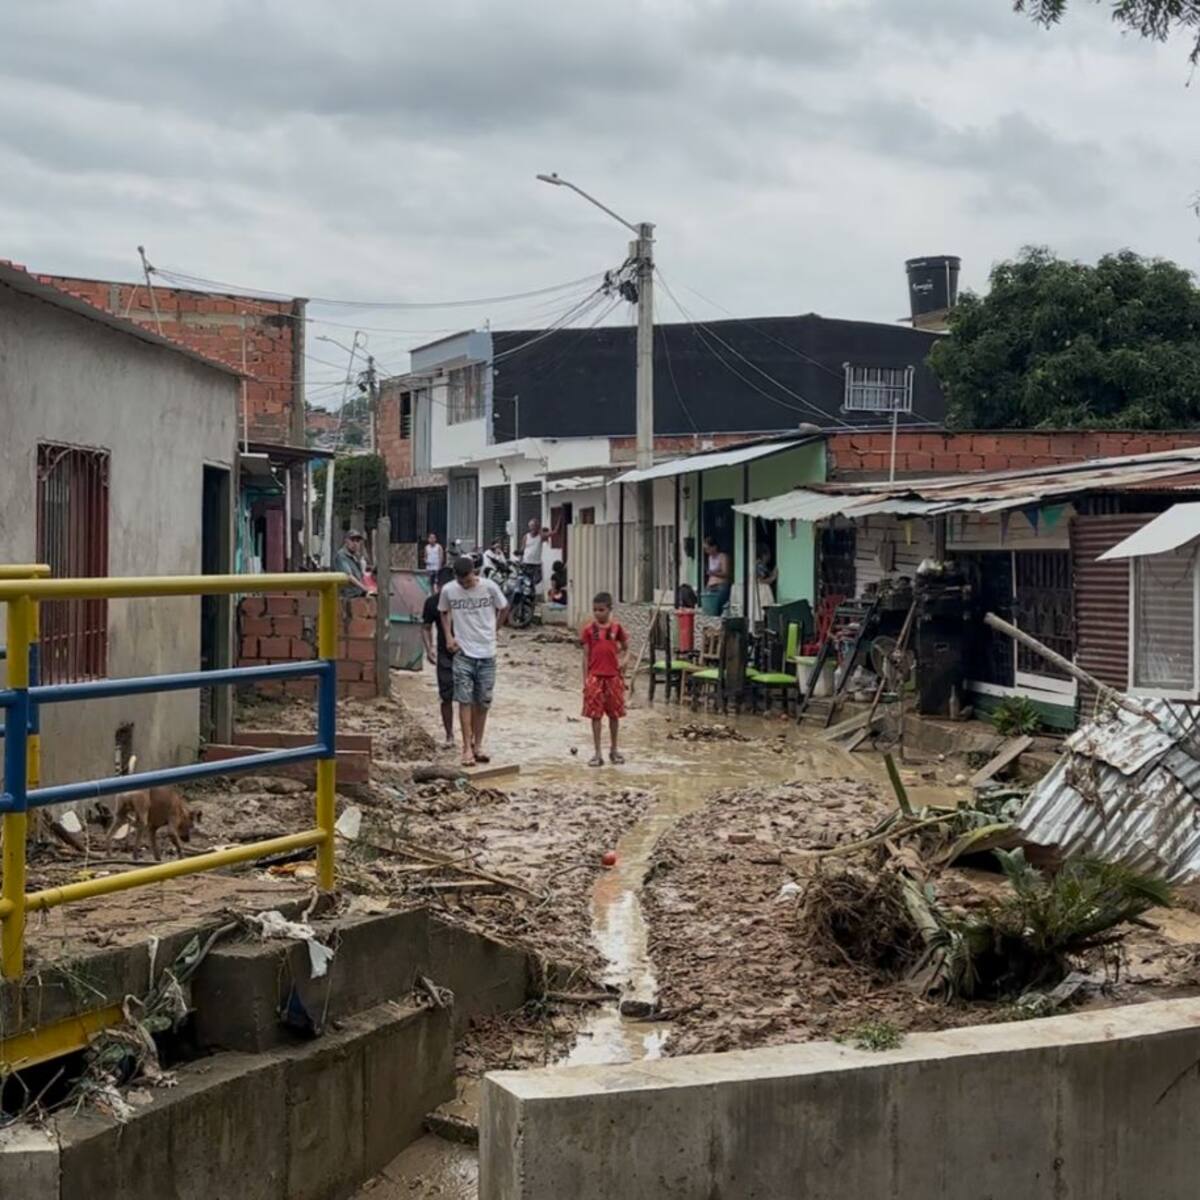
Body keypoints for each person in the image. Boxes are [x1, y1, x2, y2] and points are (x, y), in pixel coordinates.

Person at [439, 555, 508, 767]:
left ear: (474, 573)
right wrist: (449, 637)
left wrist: (495, 630)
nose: (465, 585)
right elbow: (443, 612)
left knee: (483, 702)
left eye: (468, 581)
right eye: (461, 582)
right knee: (464, 700)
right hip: (463, 653)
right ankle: (466, 748)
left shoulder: (489, 587)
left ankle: (478, 745)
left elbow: (504, 607)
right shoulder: (449, 590)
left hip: (487, 653)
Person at [581, 592, 629, 767]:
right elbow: (585, 656)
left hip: (613, 677)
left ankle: (614, 749)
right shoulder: (588, 630)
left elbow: (626, 649)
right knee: (595, 716)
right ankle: (597, 752)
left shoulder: (617, 628)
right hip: (594, 677)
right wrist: (585, 680)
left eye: (601, 610)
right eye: (595, 610)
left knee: (614, 715)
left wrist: (624, 662)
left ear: (609, 609)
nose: (597, 613)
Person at [421, 566, 457, 748]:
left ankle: (472, 738)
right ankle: (449, 735)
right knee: (446, 697)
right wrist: (429, 649)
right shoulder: (432, 602)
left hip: (467, 652)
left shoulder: (464, 601)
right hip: (444, 655)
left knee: (471, 698)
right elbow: (426, 627)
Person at [334, 530, 367, 597]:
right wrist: (365, 589)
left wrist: (363, 569)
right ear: (346, 541)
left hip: (358, 594)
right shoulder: (341, 555)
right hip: (348, 596)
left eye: (357, 541)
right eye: (352, 540)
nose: (355, 543)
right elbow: (349, 576)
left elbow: (361, 577)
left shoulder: (356, 556)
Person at [703, 535, 732, 612]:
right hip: (710, 586)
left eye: (708, 548)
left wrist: (713, 573)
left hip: (720, 585)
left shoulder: (723, 556)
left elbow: (726, 573)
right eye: (705, 549)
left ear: (714, 547)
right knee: (709, 608)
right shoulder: (710, 558)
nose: (707, 551)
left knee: (718, 608)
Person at [520, 518, 544, 588]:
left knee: (538, 579)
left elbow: (553, 533)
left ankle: (532, 587)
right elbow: (523, 548)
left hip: (536, 563)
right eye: (531, 526)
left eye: (534, 526)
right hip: (527, 562)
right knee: (526, 579)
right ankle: (530, 590)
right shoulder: (526, 536)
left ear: (537, 527)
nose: (533, 528)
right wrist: (520, 559)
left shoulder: (540, 536)